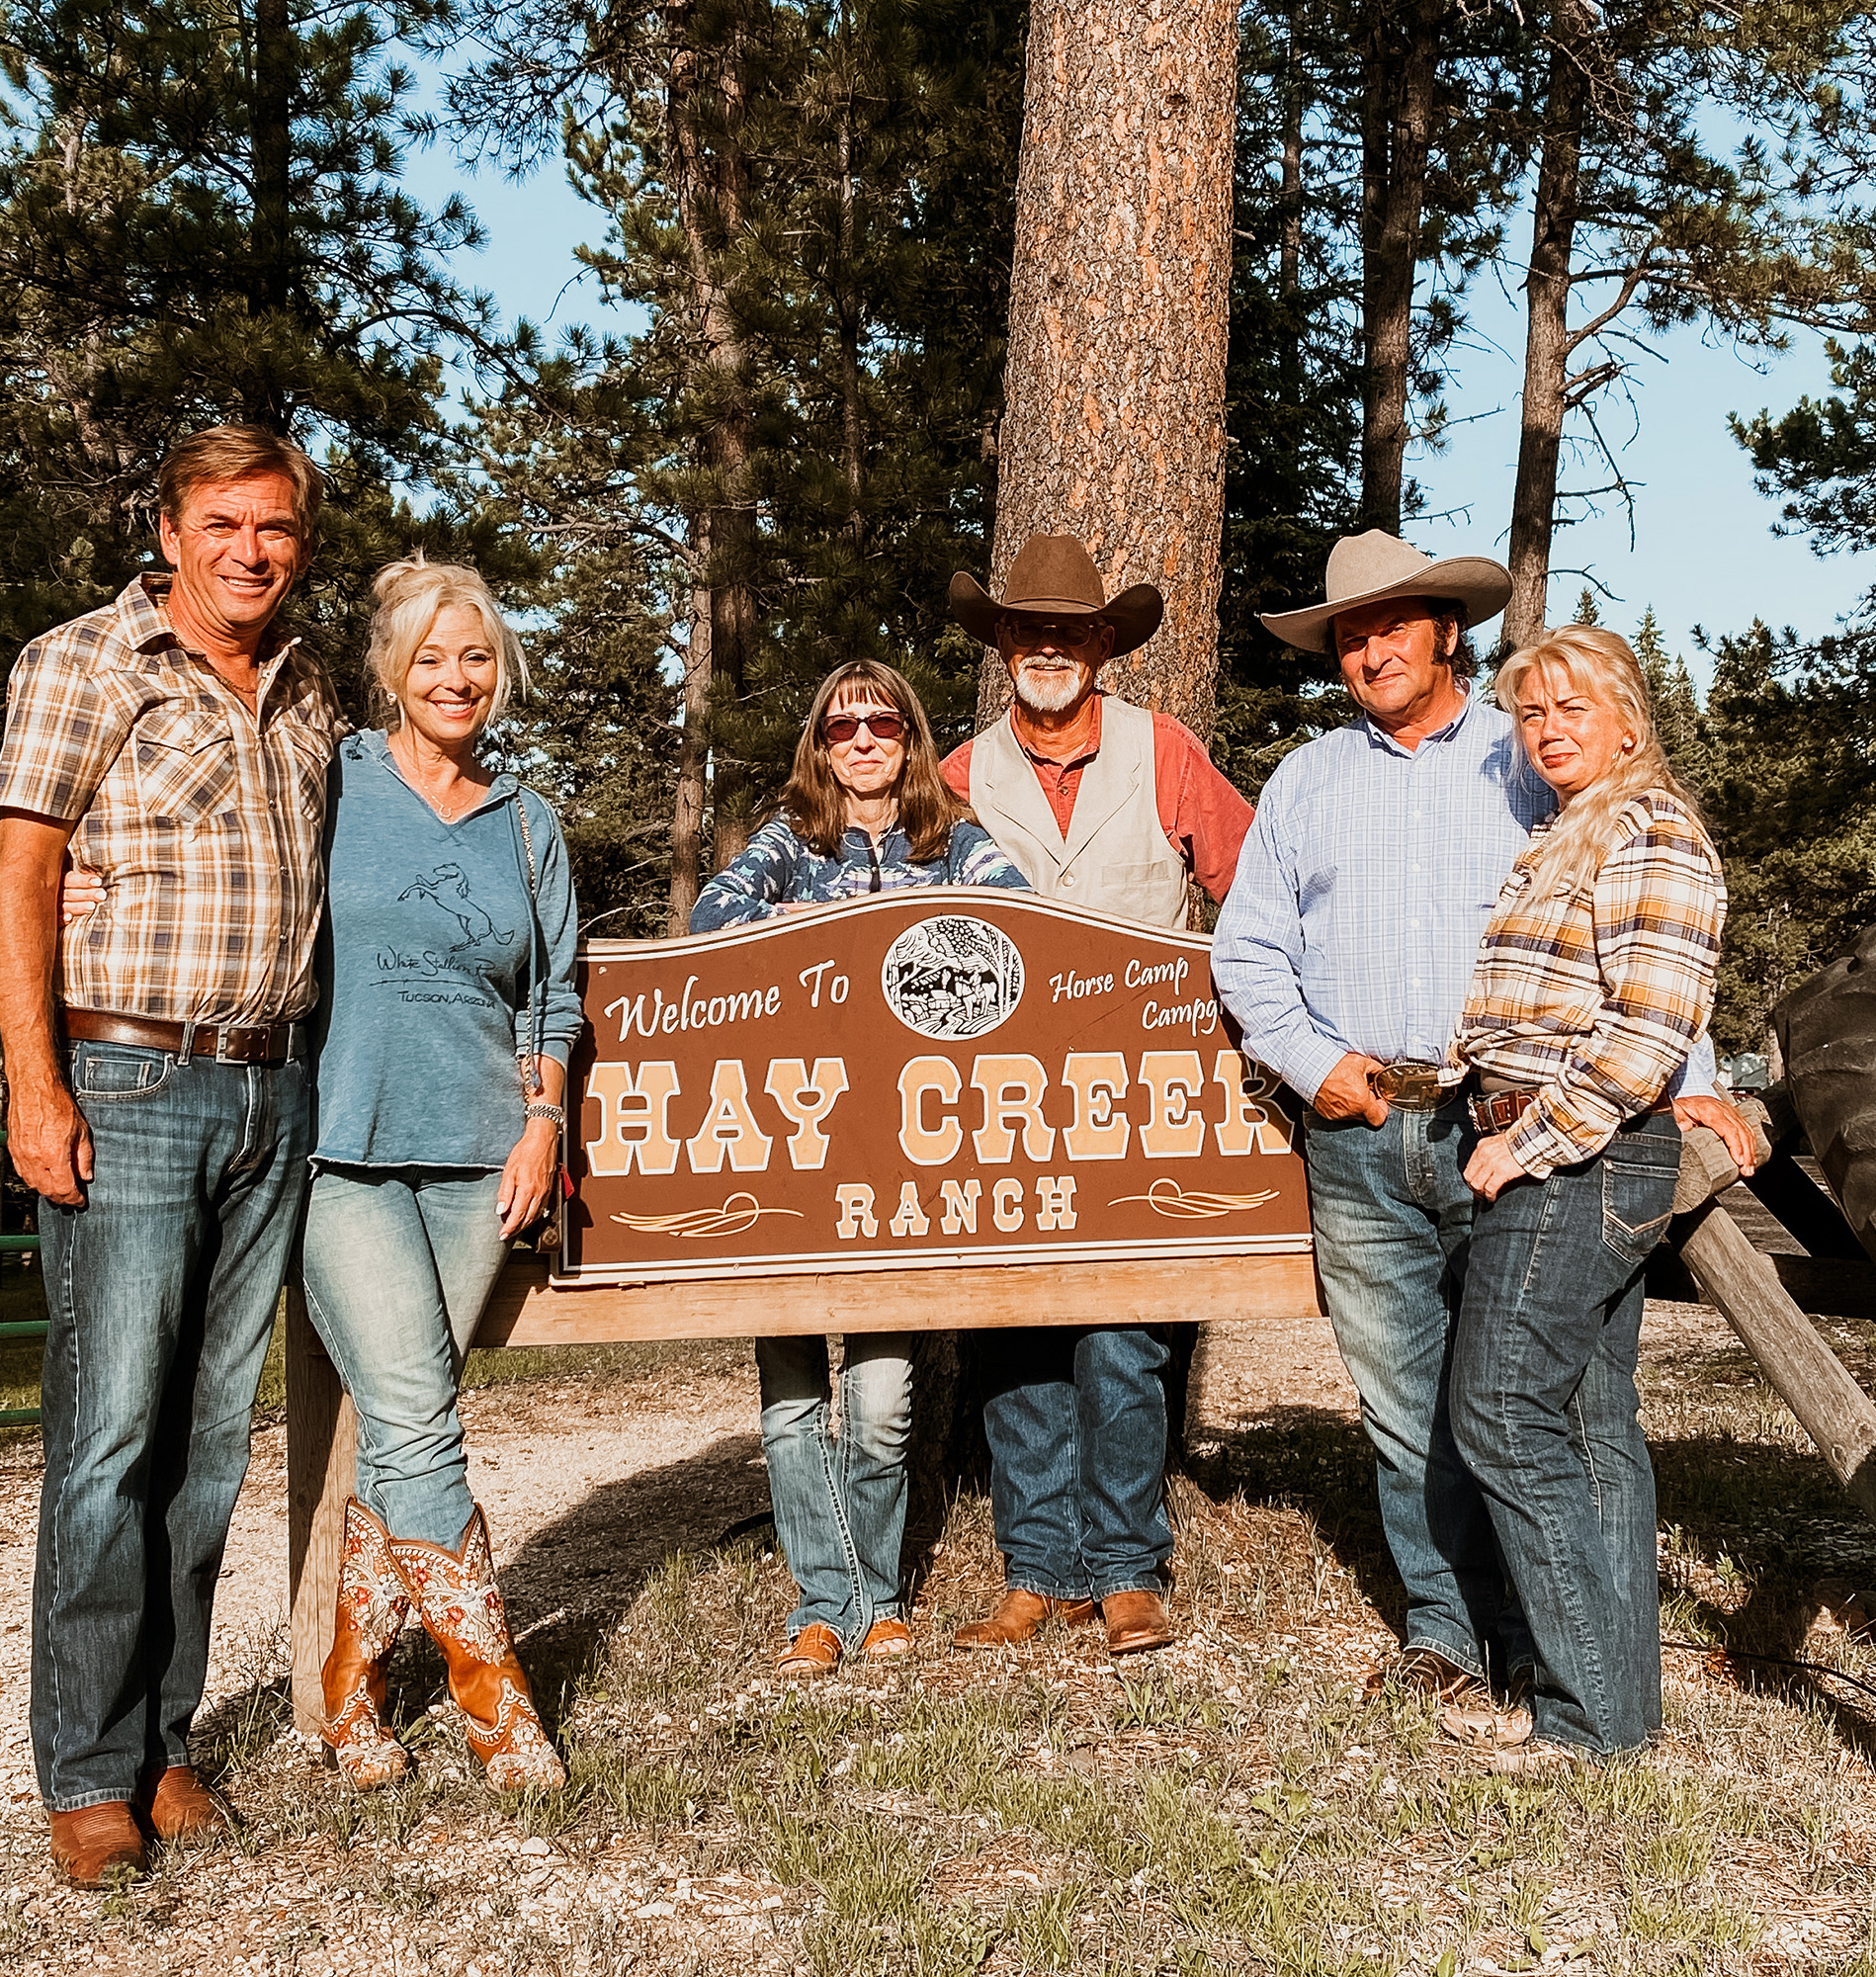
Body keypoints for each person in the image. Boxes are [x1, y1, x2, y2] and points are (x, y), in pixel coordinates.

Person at [1211, 531, 1751, 1717]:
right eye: (1349, 631)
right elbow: (1245, 949)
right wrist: (1313, 1064)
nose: (1370, 646)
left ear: (1442, 631)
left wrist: (1692, 1068)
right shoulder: (1305, 780)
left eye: (1393, 622)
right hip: (1353, 1128)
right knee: (1405, 1401)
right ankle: (1446, 1630)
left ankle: (1557, 1648)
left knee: (1538, 1398)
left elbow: (1636, 942)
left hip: (1504, 1126)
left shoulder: (1525, 759)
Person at [67, 557, 580, 1793]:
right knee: (418, 1414)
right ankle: (496, 1700)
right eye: (429, 657)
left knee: (404, 1425)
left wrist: (544, 1120)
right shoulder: (331, 776)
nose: (453, 678)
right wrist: (91, 873)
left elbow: (554, 989)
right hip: (336, 1146)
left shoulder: (526, 819)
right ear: (391, 671)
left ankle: (349, 1696)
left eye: (475, 658)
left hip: (477, 1157)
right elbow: (215, 855)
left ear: (498, 672)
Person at [0, 426, 341, 1885]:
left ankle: (163, 1742)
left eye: (274, 527)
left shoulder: (312, 685)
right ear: (169, 526)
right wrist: (33, 1081)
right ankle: (82, 1771)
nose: (248, 550)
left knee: (207, 1446)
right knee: (111, 1436)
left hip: (273, 1087)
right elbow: (20, 874)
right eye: (221, 522)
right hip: (127, 1076)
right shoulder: (83, 662)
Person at [939, 533, 1255, 1658]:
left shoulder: (1160, 750)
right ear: (1003, 646)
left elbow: (1247, 882)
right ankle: (1036, 1569)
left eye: (1068, 631)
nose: (1046, 647)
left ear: (1101, 647)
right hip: (1000, 1095)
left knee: (1125, 1330)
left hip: (1140, 1084)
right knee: (1015, 1331)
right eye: (1027, 630)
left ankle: (1125, 1565)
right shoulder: (959, 773)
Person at [690, 659, 1030, 1677]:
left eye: (882, 721)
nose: (865, 739)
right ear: (820, 745)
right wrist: (809, 929)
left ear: (909, 735)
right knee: (792, 1399)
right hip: (791, 1157)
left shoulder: (951, 837)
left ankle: (877, 1594)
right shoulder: (790, 842)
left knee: (879, 1403)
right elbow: (710, 923)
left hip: (900, 1170)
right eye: (842, 727)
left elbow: (1020, 925)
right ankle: (823, 1605)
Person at [1442, 626, 1725, 1768]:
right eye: (1529, 712)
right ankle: (1618, 1710)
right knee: (1588, 1425)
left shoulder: (1650, 831)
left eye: (1570, 707)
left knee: (1501, 1411)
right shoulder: (1575, 828)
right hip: (1576, 1148)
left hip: (1578, 1153)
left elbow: (1645, 1029)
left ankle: (1579, 1713)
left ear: (1624, 716)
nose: (1547, 730)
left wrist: (1526, 1143)